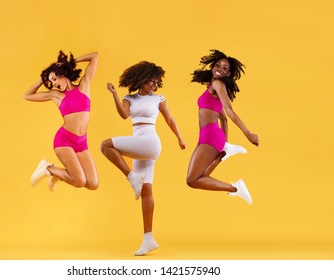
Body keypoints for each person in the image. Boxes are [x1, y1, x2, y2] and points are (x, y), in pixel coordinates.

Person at [100, 61, 185, 256]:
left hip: (150, 142)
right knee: (146, 192)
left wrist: (179, 138)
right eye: (152, 81)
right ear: (142, 79)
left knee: (105, 145)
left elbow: (170, 119)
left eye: (157, 82)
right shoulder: (129, 98)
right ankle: (148, 238)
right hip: (139, 144)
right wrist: (113, 93)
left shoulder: (159, 98)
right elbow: (123, 115)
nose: (155, 85)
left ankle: (131, 177)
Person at [186, 50, 259, 205]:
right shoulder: (213, 86)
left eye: (225, 68)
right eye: (218, 65)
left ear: (228, 74)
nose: (220, 68)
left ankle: (236, 188)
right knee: (201, 177)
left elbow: (229, 111)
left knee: (192, 180)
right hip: (207, 137)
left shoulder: (218, 84)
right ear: (212, 66)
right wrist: (225, 141)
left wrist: (248, 133)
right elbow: (223, 119)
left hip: (211, 136)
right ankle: (225, 152)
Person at [23, 51, 99, 192]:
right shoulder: (56, 95)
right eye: (51, 81)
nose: (53, 83)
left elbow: (95, 56)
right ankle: (48, 168)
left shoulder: (84, 86)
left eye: (54, 79)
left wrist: (69, 63)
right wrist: (43, 77)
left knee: (93, 184)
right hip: (64, 141)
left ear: (62, 74)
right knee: (79, 181)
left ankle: (58, 174)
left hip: (82, 142)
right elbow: (27, 95)